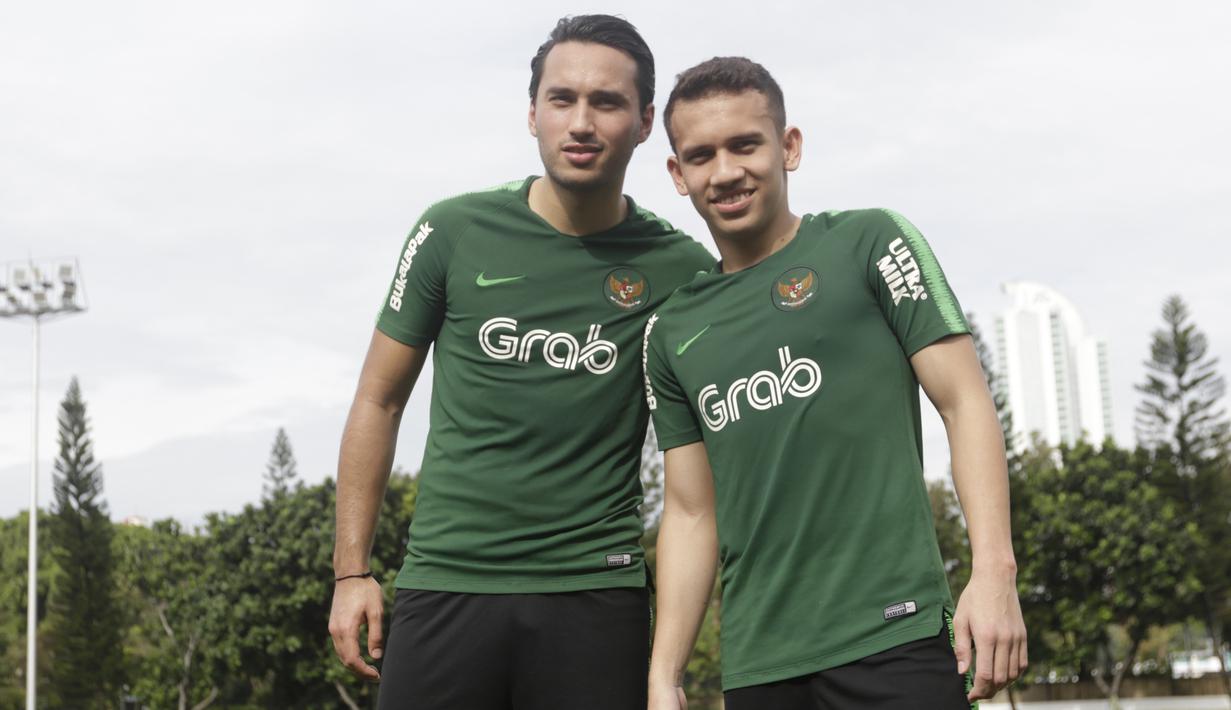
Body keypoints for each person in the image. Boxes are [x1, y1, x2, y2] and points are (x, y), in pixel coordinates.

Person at [327, 15, 714, 710]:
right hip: (446, 582)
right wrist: (351, 573)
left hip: (594, 592)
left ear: (646, 120)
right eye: (561, 99)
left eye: (607, 102)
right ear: (531, 112)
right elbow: (378, 400)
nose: (581, 122)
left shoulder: (682, 270)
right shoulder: (451, 231)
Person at [642, 56, 1027, 710]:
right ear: (678, 175)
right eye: (701, 155)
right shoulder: (670, 331)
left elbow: (963, 402)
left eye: (745, 144)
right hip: (760, 664)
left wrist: (993, 572)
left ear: (788, 147)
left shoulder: (869, 243)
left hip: (895, 636)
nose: (726, 170)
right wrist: (663, 674)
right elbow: (688, 510)